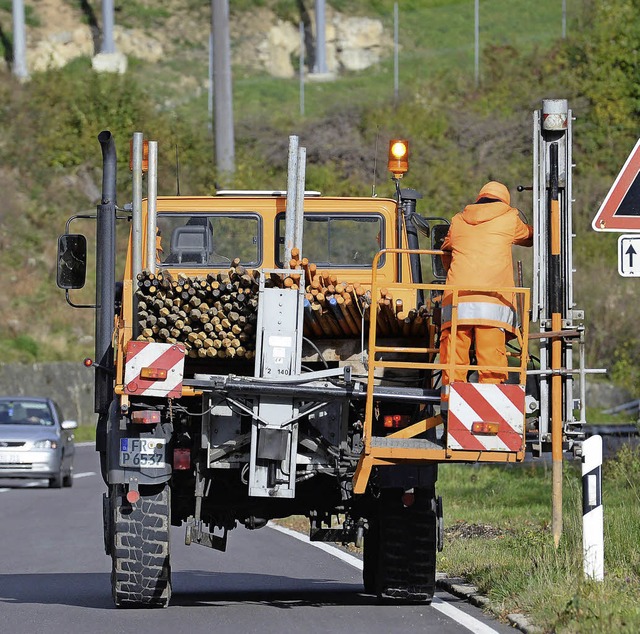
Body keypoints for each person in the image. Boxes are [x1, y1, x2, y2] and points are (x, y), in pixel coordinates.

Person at [439, 181, 533, 389]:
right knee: (491, 361)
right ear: (504, 201)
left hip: (456, 301)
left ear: (479, 198)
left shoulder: (458, 220)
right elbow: (530, 237)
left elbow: (446, 251)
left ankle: (450, 398)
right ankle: (492, 398)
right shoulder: (509, 218)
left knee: (454, 359)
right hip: (493, 304)